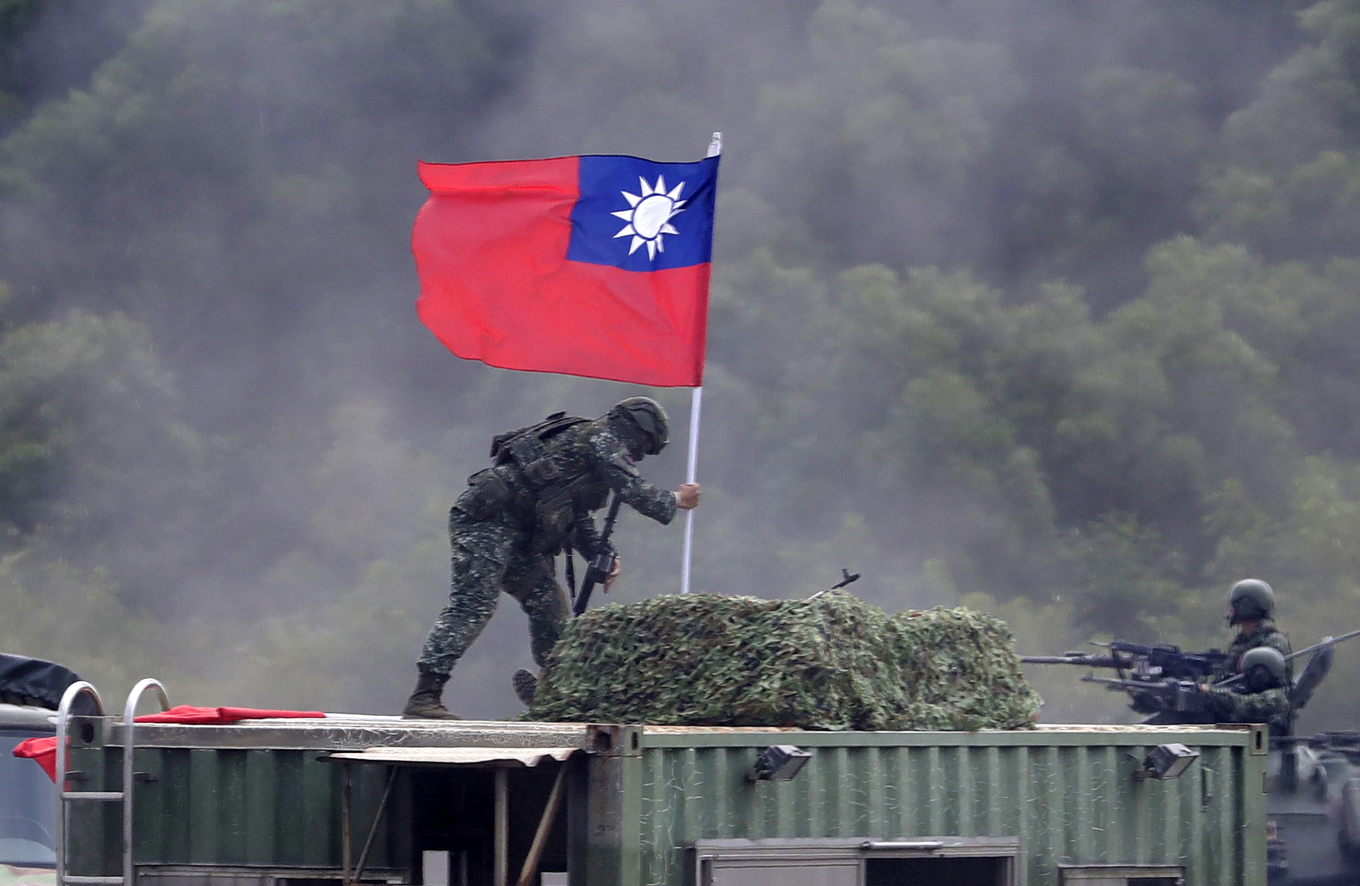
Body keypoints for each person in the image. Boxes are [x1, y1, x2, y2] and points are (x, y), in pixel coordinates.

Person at [402, 397, 701, 719]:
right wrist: (676, 500)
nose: (641, 452)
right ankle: (424, 696)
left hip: (521, 533)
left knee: (548, 601)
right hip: (488, 520)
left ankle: (554, 692)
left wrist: (602, 554)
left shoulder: (595, 449)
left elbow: (574, 513)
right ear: (633, 428)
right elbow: (635, 492)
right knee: (474, 604)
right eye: (645, 443)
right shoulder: (600, 438)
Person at [1198, 646, 1294, 735]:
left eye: (1249, 674)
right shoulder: (1259, 694)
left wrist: (1212, 692)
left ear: (1260, 674)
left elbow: (1247, 705)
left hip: (1268, 749)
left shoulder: (1276, 697)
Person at [1221, 578, 1293, 684]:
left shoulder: (1273, 641)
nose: (1231, 610)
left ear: (1246, 605)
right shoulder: (1242, 641)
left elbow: (1274, 682)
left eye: (1235, 605)